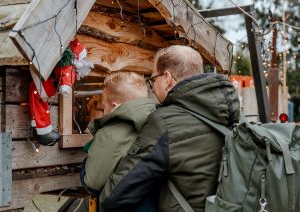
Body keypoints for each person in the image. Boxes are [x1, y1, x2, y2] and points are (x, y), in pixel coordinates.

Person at [99, 45, 241, 212]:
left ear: (167, 79)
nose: (152, 87)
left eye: (153, 80)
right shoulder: (232, 112)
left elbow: (115, 196)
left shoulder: (164, 121)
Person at [80, 72, 156, 198]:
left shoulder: (110, 133)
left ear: (115, 106)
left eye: (104, 107)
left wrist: (85, 165)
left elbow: (92, 184)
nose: (103, 112)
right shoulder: (156, 122)